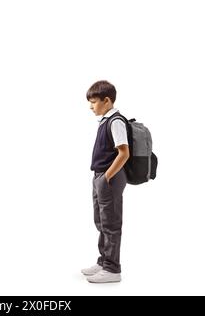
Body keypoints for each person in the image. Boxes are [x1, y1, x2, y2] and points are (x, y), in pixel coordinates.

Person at [81, 80, 129, 283]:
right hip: (100, 176)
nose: (91, 106)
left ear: (106, 101)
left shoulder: (115, 121)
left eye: (93, 102)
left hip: (109, 177)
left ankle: (112, 269)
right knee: (101, 221)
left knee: (110, 224)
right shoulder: (105, 120)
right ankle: (104, 261)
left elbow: (124, 153)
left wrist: (107, 177)